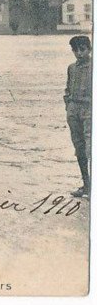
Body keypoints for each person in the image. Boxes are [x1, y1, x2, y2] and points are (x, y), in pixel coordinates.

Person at [65, 35, 92, 199]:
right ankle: (86, 184)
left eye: (82, 49)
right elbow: (67, 89)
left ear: (89, 49)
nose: (79, 53)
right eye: (75, 50)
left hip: (89, 110)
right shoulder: (71, 68)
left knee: (91, 147)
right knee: (79, 147)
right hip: (74, 111)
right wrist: (68, 106)